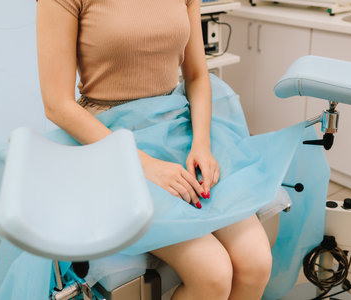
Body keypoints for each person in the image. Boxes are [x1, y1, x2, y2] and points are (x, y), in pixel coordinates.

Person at [36, 0, 272, 299]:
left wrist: (202, 143)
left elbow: (196, 76)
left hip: (176, 130)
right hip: (110, 143)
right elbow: (57, 104)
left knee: (256, 263)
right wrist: (145, 165)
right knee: (213, 274)